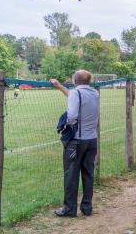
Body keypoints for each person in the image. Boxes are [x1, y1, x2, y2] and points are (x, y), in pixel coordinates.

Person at [50, 70, 100, 217]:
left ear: (74, 81)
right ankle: (87, 207)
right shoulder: (94, 93)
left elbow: (72, 115)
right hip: (92, 140)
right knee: (88, 173)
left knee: (71, 175)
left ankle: (69, 209)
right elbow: (74, 96)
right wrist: (59, 86)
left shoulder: (75, 94)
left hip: (77, 141)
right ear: (88, 81)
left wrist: (67, 125)